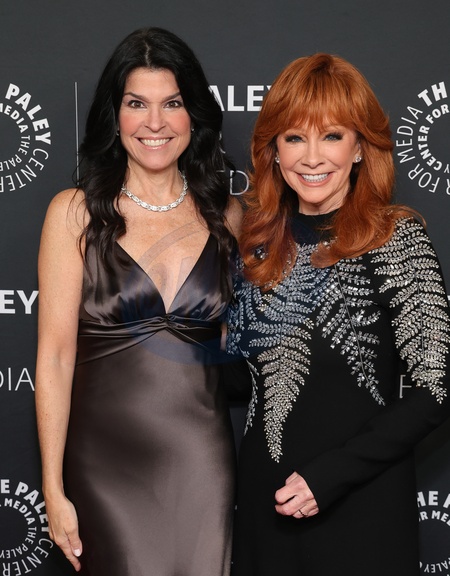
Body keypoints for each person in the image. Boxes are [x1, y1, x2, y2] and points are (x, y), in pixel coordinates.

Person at [226, 53, 450, 576]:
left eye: (331, 136)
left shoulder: (395, 239)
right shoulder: (257, 247)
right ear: (274, 151)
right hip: (264, 511)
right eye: (294, 137)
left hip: (361, 510)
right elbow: (241, 380)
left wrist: (329, 477)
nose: (311, 157)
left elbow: (436, 388)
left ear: (360, 147)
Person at [35, 27, 241, 576]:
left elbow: (244, 343)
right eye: (136, 104)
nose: (155, 123)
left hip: (201, 463)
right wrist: (53, 488)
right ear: (115, 115)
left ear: (194, 114)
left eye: (172, 103)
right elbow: (54, 358)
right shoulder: (74, 214)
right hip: (104, 467)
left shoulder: (229, 217)